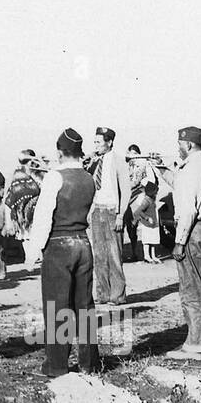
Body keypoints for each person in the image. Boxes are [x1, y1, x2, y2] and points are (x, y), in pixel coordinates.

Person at [28, 128, 100, 378]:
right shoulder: (89, 178)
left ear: (60, 152)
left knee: (58, 307)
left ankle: (57, 365)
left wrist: (33, 250)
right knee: (84, 306)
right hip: (83, 243)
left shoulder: (53, 177)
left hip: (59, 246)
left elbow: (43, 217)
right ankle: (90, 364)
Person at [166, 126, 201, 360]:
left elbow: (188, 209)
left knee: (192, 291)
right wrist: (163, 171)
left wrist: (180, 241)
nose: (178, 148)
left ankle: (195, 345)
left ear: (188, 145)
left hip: (194, 232)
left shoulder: (189, 170)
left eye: (180, 143)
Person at [88, 126, 132, 308]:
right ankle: (102, 294)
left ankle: (118, 295)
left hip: (113, 211)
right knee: (99, 255)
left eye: (99, 142)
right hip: (97, 210)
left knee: (114, 255)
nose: (96, 145)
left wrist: (121, 214)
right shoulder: (94, 162)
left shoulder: (118, 160)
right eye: (95, 141)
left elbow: (126, 189)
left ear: (109, 142)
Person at [4, 150, 45, 268]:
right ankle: (30, 258)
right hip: (22, 213)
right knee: (26, 236)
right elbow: (10, 198)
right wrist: (8, 222)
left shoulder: (39, 174)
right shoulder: (17, 175)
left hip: (38, 211)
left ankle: (37, 258)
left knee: (36, 235)